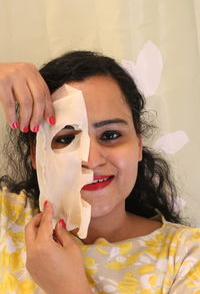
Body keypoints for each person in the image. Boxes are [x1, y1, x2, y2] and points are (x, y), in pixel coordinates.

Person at [0, 51, 199, 294]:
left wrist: (67, 288)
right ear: (35, 154)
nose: (91, 160)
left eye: (111, 135)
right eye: (65, 139)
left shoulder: (186, 256)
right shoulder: (7, 222)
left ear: (138, 144)